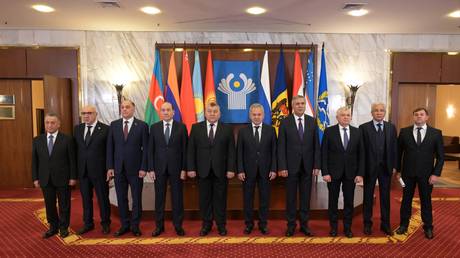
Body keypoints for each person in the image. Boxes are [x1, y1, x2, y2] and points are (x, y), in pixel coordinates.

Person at [187, 102, 236, 236]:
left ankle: (221, 225)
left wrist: (231, 169)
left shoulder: (227, 129)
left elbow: (231, 151)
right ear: (205, 113)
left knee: (220, 199)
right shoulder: (196, 128)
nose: (212, 114)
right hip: (202, 170)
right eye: (210, 111)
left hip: (221, 171)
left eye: (215, 111)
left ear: (219, 114)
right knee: (204, 199)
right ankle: (206, 225)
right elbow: (191, 150)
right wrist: (190, 168)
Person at [395, 107, 444, 239]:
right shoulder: (404, 132)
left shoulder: (436, 133)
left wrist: (436, 174)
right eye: (416, 114)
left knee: (426, 201)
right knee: (406, 200)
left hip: (427, 175)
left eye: (421, 114)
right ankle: (403, 225)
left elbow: (440, 157)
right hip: (407, 174)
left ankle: (428, 227)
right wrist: (398, 171)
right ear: (413, 117)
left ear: (427, 117)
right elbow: (398, 154)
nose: (418, 116)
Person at [277, 95, 321, 237]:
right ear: (293, 106)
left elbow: (316, 146)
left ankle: (304, 225)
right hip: (290, 168)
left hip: (308, 167)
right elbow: (281, 147)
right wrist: (282, 166)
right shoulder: (285, 123)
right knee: (290, 198)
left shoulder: (312, 122)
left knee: (305, 197)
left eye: (302, 103)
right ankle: (290, 226)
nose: (300, 106)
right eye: (297, 104)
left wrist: (316, 165)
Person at [106, 100, 149, 237]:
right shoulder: (114, 125)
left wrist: (144, 167)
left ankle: (135, 226)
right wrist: (110, 167)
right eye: (122, 107)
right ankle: (124, 225)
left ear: (133, 109)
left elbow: (146, 149)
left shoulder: (142, 126)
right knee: (121, 198)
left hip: (136, 170)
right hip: (118, 169)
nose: (124, 109)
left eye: (127, 107)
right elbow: (110, 148)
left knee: (136, 199)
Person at [321, 107, 364, 238]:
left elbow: (362, 154)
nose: (346, 117)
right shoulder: (329, 132)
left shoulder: (357, 132)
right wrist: (325, 172)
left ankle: (347, 228)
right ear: (337, 117)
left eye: (348, 115)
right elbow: (324, 154)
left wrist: (360, 173)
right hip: (333, 173)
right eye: (343, 115)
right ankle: (333, 228)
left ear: (351, 117)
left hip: (351, 174)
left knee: (349, 202)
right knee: (333, 202)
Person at [32, 113, 77, 238]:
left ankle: (63, 227)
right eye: (47, 122)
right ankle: (53, 227)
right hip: (45, 178)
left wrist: (73, 177)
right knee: (49, 204)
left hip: (63, 178)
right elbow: (35, 161)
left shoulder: (67, 139)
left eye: (52, 122)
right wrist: (35, 178)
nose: (50, 125)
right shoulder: (37, 140)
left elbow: (72, 160)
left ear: (58, 124)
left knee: (64, 204)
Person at [148, 102, 187, 237]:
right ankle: (159, 226)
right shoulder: (154, 128)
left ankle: (178, 226)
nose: (165, 112)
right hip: (158, 169)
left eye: (168, 110)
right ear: (160, 112)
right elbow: (150, 150)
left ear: (173, 112)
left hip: (176, 169)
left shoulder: (181, 127)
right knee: (159, 199)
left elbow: (184, 150)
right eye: (163, 110)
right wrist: (151, 168)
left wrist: (184, 169)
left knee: (177, 198)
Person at [237, 103, 277, 235]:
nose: (256, 117)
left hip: (266, 171)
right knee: (248, 199)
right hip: (247, 172)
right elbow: (239, 152)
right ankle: (248, 224)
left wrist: (273, 169)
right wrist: (240, 170)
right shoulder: (243, 131)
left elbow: (274, 151)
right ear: (250, 115)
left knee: (264, 199)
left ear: (263, 115)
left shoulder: (270, 130)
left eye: (259, 114)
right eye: (254, 114)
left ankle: (263, 224)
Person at [359, 103, 397, 236]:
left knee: (385, 197)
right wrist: (361, 171)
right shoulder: (363, 128)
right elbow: (361, 151)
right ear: (372, 113)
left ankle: (385, 224)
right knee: (368, 197)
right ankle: (367, 224)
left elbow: (394, 149)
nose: (379, 113)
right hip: (369, 169)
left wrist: (394, 166)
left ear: (385, 112)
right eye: (376, 111)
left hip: (386, 168)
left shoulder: (391, 128)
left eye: (381, 110)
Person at [73, 105, 111, 235]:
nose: (86, 116)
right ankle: (88, 223)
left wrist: (109, 169)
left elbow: (109, 151)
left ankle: (105, 223)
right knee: (85, 199)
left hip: (100, 171)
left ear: (96, 114)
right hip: (83, 171)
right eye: (83, 113)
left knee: (102, 199)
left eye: (89, 113)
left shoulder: (105, 129)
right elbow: (75, 151)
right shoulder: (77, 129)